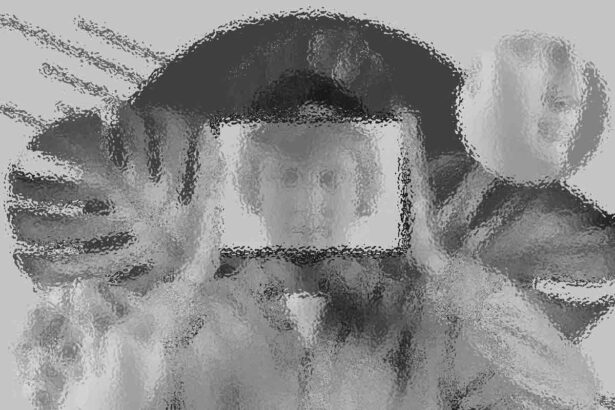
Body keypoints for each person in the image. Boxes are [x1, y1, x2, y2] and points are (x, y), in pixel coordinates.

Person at [7, 12, 609, 409]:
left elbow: (568, 398)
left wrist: (441, 268)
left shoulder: (425, 329)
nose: (311, 202)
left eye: (332, 177)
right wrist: (187, 282)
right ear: (246, 190)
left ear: (371, 190)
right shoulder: (198, 332)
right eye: (287, 176)